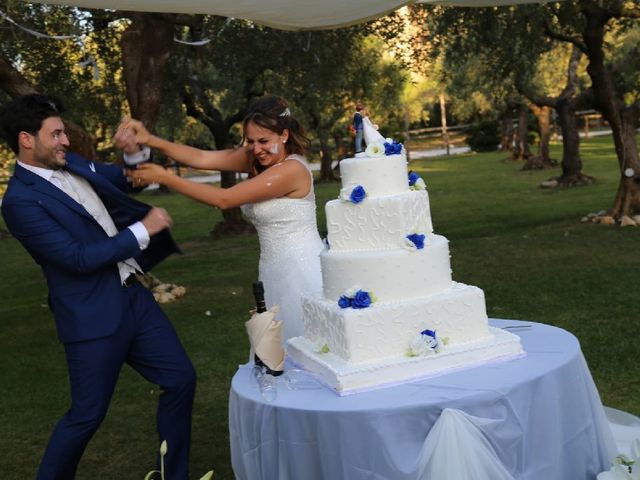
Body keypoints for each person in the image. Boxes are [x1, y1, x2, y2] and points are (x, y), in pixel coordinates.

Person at [0, 94, 196, 480]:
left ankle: (175, 475)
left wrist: (134, 154)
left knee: (180, 379)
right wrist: (143, 229)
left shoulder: (70, 162)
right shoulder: (18, 202)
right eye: (55, 134)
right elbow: (77, 258)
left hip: (134, 300)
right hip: (90, 317)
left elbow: (123, 179)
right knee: (86, 416)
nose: (65, 141)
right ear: (26, 139)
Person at [116, 95, 324, 342]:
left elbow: (223, 199)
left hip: (301, 269)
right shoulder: (258, 157)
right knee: (278, 349)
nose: (256, 148)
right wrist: (150, 140)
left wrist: (166, 178)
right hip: (272, 268)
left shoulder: (291, 170)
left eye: (264, 141)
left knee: (305, 343)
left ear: (285, 136)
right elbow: (201, 158)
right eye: (251, 141)